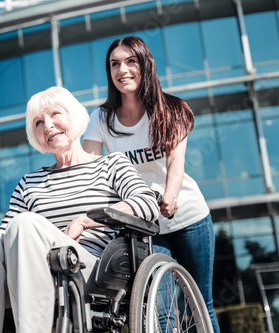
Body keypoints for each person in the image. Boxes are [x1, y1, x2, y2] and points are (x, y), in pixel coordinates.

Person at [0, 86, 160, 333]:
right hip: (27, 269)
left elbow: (147, 203)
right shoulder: (29, 182)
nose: (48, 125)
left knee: (25, 223)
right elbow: (4, 240)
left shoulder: (110, 164)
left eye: (55, 114)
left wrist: (86, 220)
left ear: (74, 116)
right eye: (38, 123)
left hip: (89, 270)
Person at [82, 36, 220, 332]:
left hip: (188, 216)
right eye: (115, 64)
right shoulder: (100, 119)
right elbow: (88, 169)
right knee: (160, 309)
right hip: (144, 225)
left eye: (131, 61)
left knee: (201, 303)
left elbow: (175, 162)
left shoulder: (171, 108)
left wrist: (169, 197)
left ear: (145, 65)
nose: (123, 70)